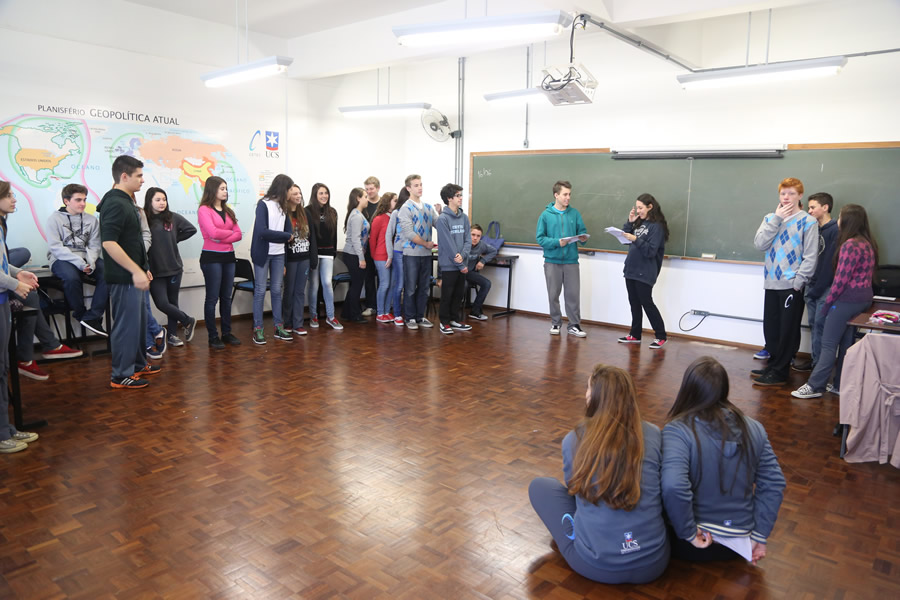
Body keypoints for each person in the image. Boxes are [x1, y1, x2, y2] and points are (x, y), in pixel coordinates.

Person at [528, 364, 670, 583]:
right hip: (654, 564)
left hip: (594, 565)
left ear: (593, 397)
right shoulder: (653, 433)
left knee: (540, 486)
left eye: (588, 388)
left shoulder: (573, 439)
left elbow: (574, 489)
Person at [662, 357, 786, 564]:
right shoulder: (755, 428)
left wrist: (689, 532)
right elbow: (774, 483)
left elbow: (673, 486)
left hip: (691, 543)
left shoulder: (677, 430)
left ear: (687, 389)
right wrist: (759, 536)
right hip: (737, 546)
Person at [792, 204, 877, 399]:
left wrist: (828, 305)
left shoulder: (850, 245)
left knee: (828, 344)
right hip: (863, 300)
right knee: (846, 343)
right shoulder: (867, 243)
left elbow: (840, 281)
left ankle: (815, 386)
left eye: (840, 216)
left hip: (846, 301)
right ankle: (840, 384)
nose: (837, 220)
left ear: (848, 221)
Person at [99, 155, 161, 389]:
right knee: (126, 326)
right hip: (124, 277)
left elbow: (133, 242)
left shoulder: (126, 202)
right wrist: (135, 271)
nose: (142, 180)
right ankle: (120, 375)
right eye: (139, 176)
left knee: (138, 325)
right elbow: (109, 243)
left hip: (134, 275)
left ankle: (137, 364)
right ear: (124, 177)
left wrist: (143, 268)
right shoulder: (115, 203)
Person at [751, 177, 817, 386]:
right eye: (783, 193)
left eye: (791, 193)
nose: (786, 197)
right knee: (771, 329)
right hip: (771, 282)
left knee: (787, 330)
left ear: (800, 196)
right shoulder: (770, 218)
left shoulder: (808, 221)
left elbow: (811, 256)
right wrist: (776, 219)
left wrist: (798, 282)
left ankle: (780, 372)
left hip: (791, 286)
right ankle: (773, 366)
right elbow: (760, 244)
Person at [0, 181, 41, 452]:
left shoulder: (1, 225)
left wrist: (17, 273)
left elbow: (2, 263)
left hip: (3, 302)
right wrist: (16, 284)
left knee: (3, 367)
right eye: (8, 195)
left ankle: (6, 428)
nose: (14, 199)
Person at [46, 183, 108, 337]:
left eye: (84, 200)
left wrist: (90, 263)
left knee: (108, 273)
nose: (83, 203)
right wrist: (80, 264)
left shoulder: (91, 220)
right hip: (61, 258)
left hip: (86, 257)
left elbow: (94, 245)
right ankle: (80, 314)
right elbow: (56, 247)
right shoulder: (54, 219)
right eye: (78, 200)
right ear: (66, 201)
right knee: (71, 278)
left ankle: (92, 316)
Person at [143, 187, 197, 347]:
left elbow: (191, 229)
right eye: (158, 200)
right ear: (149, 201)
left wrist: (175, 238)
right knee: (162, 303)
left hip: (174, 268)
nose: (162, 203)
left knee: (173, 303)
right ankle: (187, 320)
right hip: (155, 270)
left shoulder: (172, 217)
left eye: (164, 199)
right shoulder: (144, 219)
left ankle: (173, 335)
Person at [793, 192, 839, 372]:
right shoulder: (813, 229)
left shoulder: (835, 230)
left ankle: (820, 365)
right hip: (811, 284)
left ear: (825, 207)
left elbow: (830, 264)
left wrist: (818, 288)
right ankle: (815, 361)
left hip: (825, 287)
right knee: (813, 324)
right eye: (809, 208)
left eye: (813, 207)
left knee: (821, 325)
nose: (810, 211)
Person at [536, 180, 588, 337]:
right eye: (565, 194)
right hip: (552, 261)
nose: (568, 197)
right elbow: (540, 239)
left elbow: (582, 231)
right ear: (556, 195)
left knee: (573, 295)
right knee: (553, 295)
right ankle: (555, 323)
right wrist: (557, 242)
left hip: (571, 261)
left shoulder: (574, 213)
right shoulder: (545, 215)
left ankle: (574, 325)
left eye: (569, 194)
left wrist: (583, 237)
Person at [618, 193, 669, 349]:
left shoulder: (657, 227)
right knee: (634, 302)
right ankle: (635, 334)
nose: (638, 210)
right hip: (631, 269)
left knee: (647, 303)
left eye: (641, 208)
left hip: (645, 271)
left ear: (650, 207)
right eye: (637, 207)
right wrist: (630, 222)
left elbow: (651, 251)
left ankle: (661, 336)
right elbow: (625, 239)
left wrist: (635, 239)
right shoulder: (639, 223)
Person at [198, 176, 242, 350]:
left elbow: (238, 234)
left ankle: (227, 332)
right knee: (212, 298)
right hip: (211, 258)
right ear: (213, 190)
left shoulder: (228, 211)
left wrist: (221, 235)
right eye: (222, 188)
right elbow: (212, 233)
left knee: (226, 297)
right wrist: (228, 234)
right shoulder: (204, 210)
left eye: (226, 188)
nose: (225, 191)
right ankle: (213, 336)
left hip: (228, 257)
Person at [251, 174, 294, 345]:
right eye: (290, 189)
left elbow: (289, 231)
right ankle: (258, 328)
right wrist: (285, 236)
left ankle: (278, 326)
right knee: (260, 291)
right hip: (263, 253)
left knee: (277, 290)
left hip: (279, 254)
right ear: (283, 189)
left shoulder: (284, 206)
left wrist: (286, 236)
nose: (291, 193)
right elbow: (263, 231)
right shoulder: (263, 204)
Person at [399, 174, 440, 330]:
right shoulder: (405, 208)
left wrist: (441, 212)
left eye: (421, 184)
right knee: (410, 288)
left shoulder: (428, 208)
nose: (420, 188)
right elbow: (409, 233)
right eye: (416, 185)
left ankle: (420, 316)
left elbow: (439, 224)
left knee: (424, 287)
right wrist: (425, 243)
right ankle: (410, 318)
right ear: (408, 188)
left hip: (425, 255)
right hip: (411, 254)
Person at [436, 183, 472, 335]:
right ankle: (444, 322)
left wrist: (463, 256)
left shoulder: (464, 217)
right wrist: (460, 264)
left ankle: (454, 319)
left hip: (461, 263)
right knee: (448, 294)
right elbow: (448, 243)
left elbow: (468, 240)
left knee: (458, 294)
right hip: (449, 265)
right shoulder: (442, 219)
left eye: (461, 195)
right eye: (457, 195)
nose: (461, 198)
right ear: (449, 198)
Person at [306, 183, 342, 330]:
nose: (324, 196)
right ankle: (313, 315)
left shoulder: (332, 212)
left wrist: (333, 252)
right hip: (314, 253)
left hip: (328, 253)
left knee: (327, 283)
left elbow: (334, 235)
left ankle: (331, 316)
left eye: (326, 193)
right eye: (321, 193)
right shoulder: (307, 211)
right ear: (315, 195)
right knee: (314, 285)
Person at [282, 184, 317, 337]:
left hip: (304, 258)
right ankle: (288, 322)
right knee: (289, 291)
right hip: (290, 259)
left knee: (299, 292)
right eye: (295, 193)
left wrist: (313, 258)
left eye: (299, 193)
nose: (298, 196)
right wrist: (283, 263)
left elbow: (312, 237)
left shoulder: (305, 213)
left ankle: (298, 324)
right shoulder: (283, 213)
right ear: (287, 196)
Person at [341, 188, 370, 323]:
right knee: (357, 285)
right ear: (358, 198)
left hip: (353, 253)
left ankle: (347, 312)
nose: (367, 199)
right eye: (365, 196)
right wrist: (361, 258)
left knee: (356, 284)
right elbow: (355, 239)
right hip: (353, 254)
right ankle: (354, 314)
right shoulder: (357, 216)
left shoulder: (358, 214)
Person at [369, 192, 396, 323]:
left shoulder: (394, 217)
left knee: (391, 285)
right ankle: (380, 313)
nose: (397, 203)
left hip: (393, 255)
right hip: (381, 256)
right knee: (384, 284)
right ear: (387, 202)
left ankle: (386, 311)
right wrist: (375, 256)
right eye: (394, 200)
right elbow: (372, 240)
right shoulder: (379, 219)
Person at [385, 188, 409, 326]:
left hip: (411, 253)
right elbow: (389, 234)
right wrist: (390, 255)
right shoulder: (396, 213)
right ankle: (397, 314)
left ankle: (407, 313)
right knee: (399, 284)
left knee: (409, 284)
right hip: (399, 252)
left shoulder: (414, 212)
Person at [465, 224, 497, 321]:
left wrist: (483, 261)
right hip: (459, 272)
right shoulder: (463, 244)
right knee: (463, 285)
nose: (475, 238)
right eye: (473, 235)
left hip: (470, 272)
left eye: (478, 236)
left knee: (487, 283)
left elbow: (493, 251)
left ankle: (475, 311)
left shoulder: (481, 245)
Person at [361, 176, 381, 316]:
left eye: (371, 189)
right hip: (367, 246)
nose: (369, 191)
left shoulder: (383, 204)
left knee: (382, 277)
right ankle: (370, 305)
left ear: (378, 188)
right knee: (368, 276)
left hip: (381, 246)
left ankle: (382, 305)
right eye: (367, 189)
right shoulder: (364, 204)